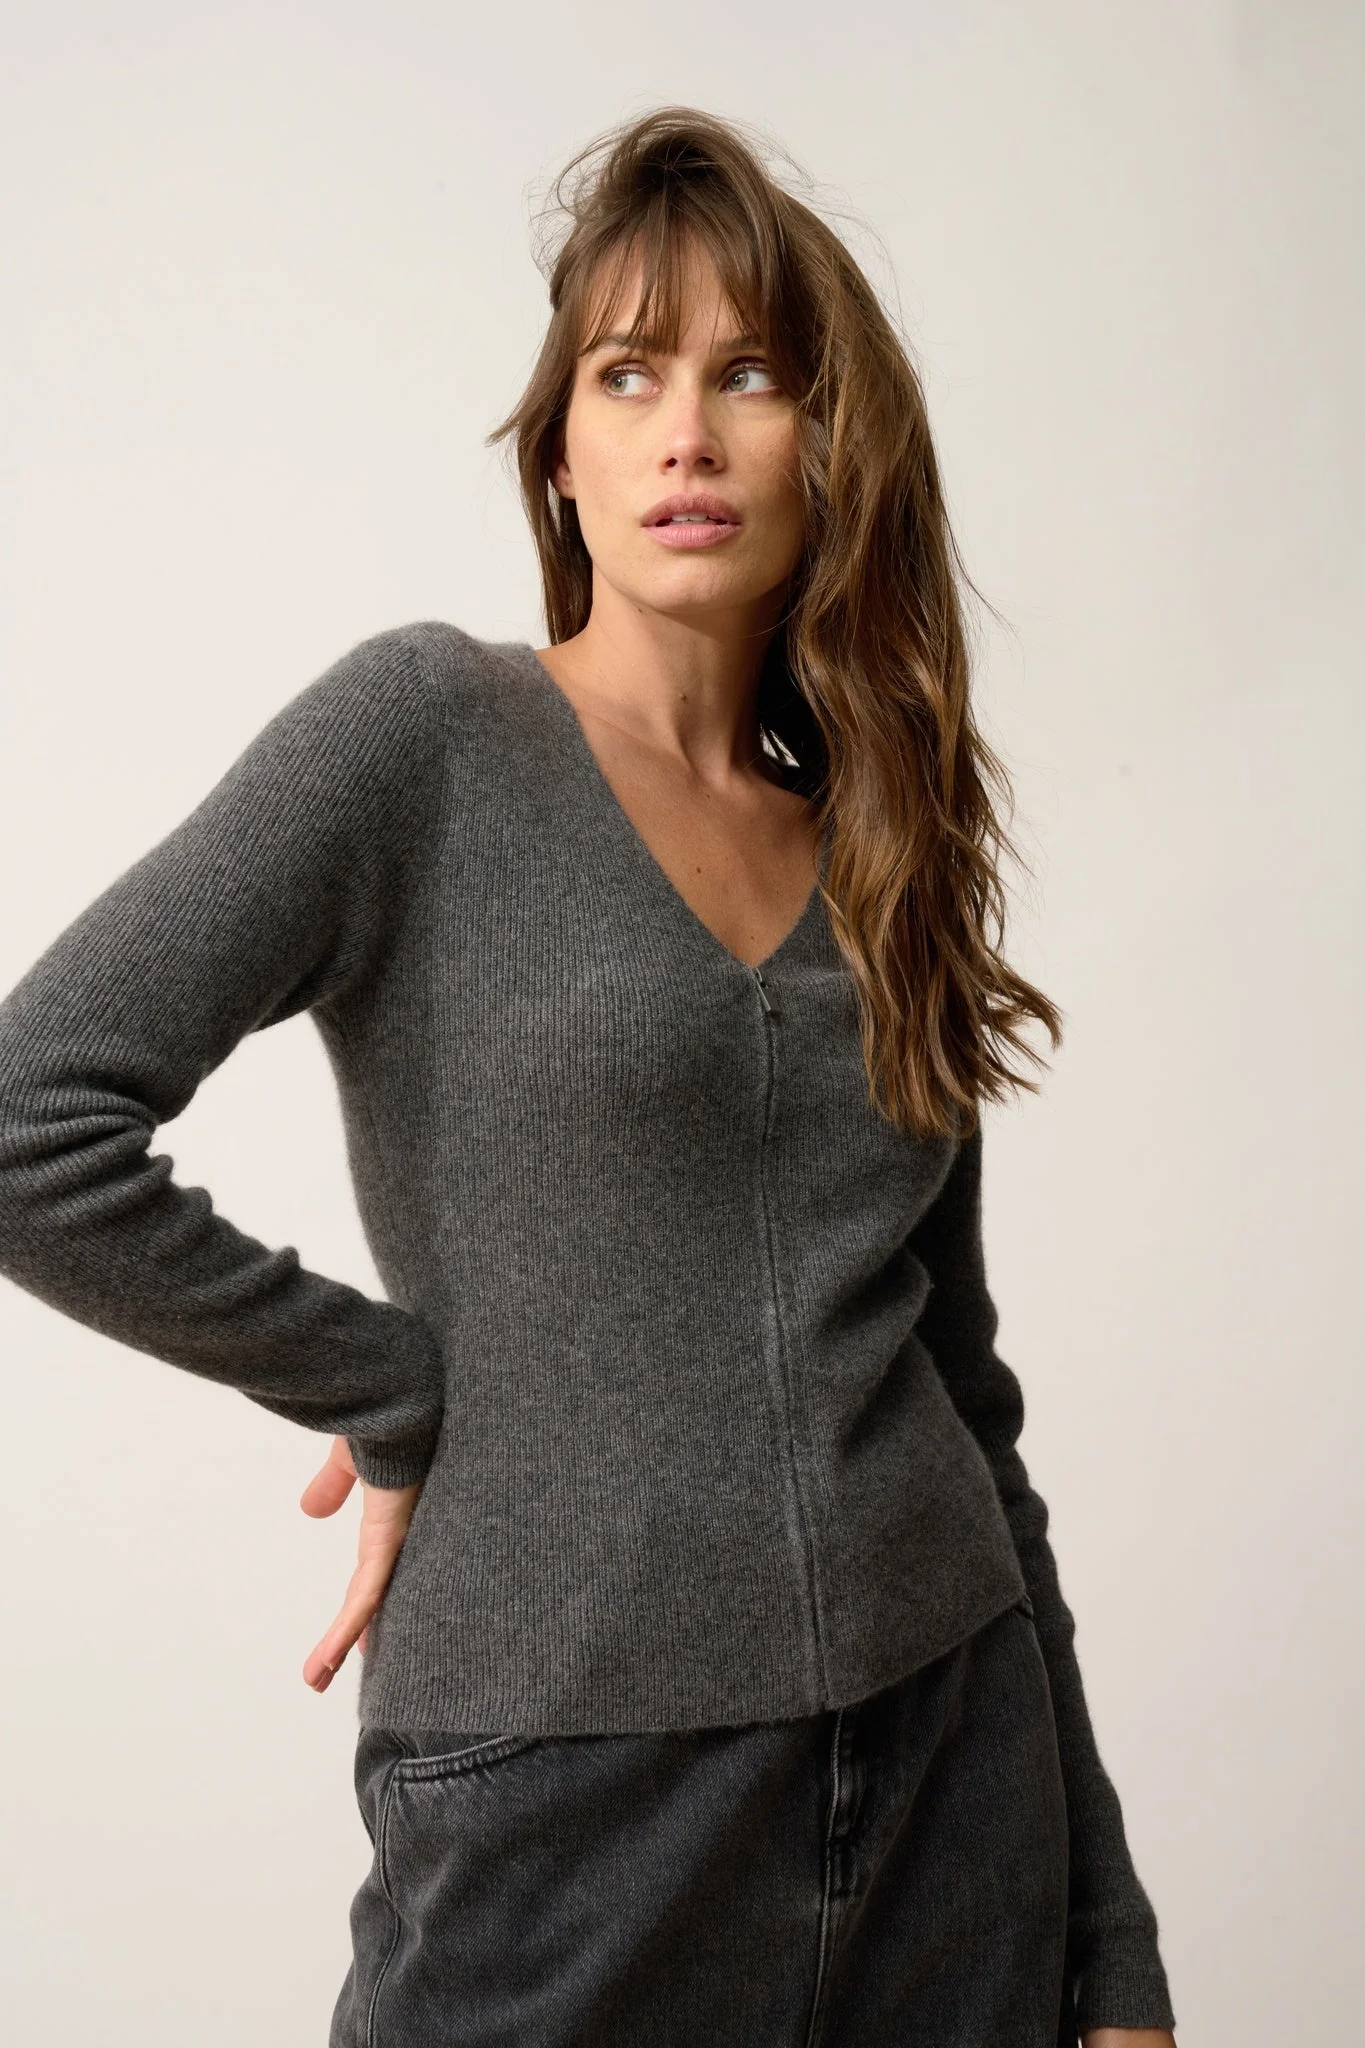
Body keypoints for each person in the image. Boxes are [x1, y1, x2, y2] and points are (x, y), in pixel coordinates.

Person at [0, 106, 1178, 2047]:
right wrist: (382, 1380)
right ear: (561, 451)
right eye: (627, 375)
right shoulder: (422, 740)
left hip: (956, 1781)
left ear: (829, 443)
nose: (686, 433)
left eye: (749, 375)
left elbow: (965, 1397)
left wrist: (1107, 1940)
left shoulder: (879, 839)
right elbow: (30, 1118)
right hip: (569, 1804)